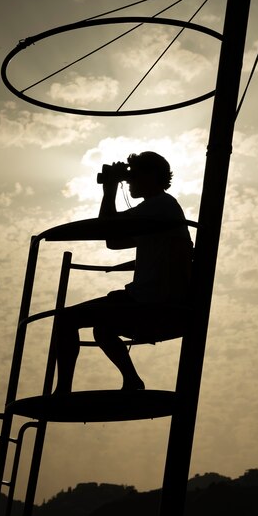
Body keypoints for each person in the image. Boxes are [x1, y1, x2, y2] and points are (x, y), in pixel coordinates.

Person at [53, 151, 193, 394]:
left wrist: (110, 188)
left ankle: (63, 390)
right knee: (103, 329)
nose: (129, 182)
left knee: (66, 319)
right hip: (153, 301)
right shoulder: (158, 209)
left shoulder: (159, 205)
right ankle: (132, 381)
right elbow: (114, 241)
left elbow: (106, 227)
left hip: (153, 304)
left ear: (151, 176)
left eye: (134, 175)